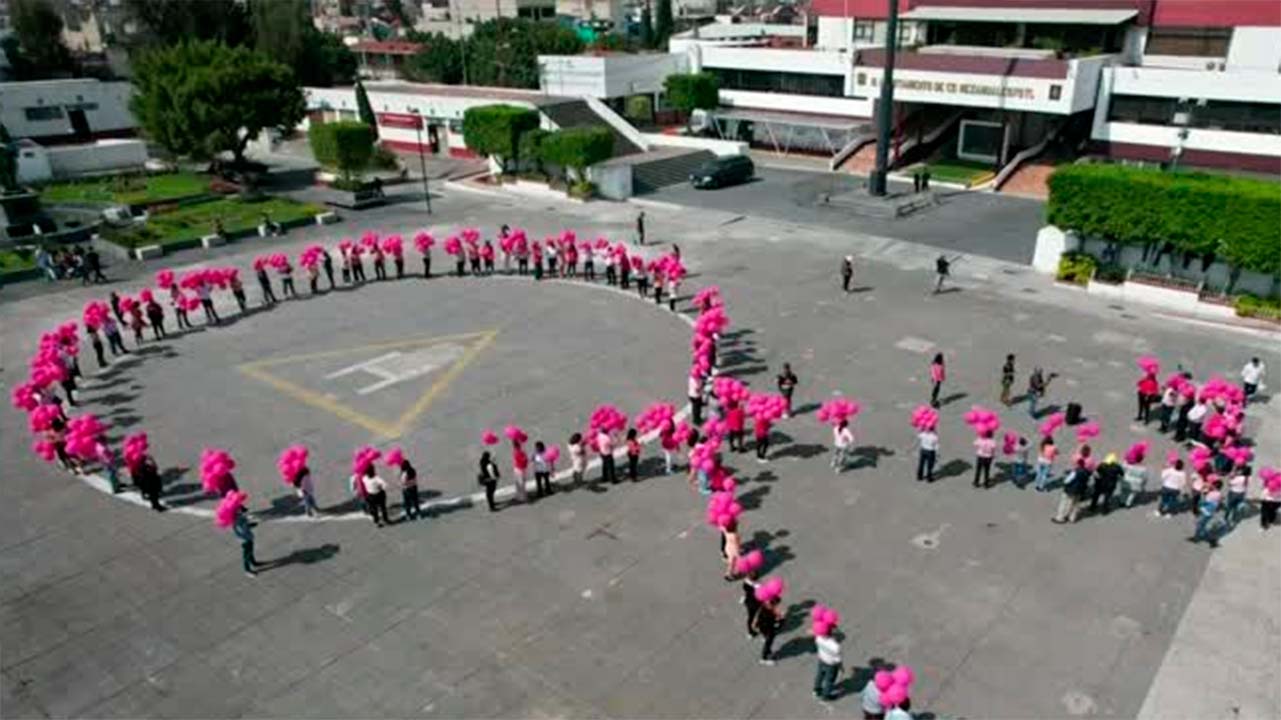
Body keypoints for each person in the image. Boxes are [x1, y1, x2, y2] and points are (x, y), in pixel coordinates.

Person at [1052, 455, 1091, 524]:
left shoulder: (1075, 472)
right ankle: (1072, 518)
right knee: (1075, 504)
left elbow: (1067, 481)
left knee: (1065, 503)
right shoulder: (1087, 472)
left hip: (1071, 490)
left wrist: (1064, 482)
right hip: (1080, 490)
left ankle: (1060, 518)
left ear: (1078, 464)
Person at [1189, 478, 1223, 547]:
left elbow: (1204, 502)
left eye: (1213, 485)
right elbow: (1218, 502)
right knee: (1201, 525)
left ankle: (1207, 539)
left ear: (1215, 486)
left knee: (1200, 525)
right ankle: (1198, 538)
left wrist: (1203, 493)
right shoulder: (1219, 494)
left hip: (1205, 511)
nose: (1211, 485)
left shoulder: (1211, 494)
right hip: (1210, 512)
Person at [813, 624, 842, 701]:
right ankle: (826, 695)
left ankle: (817, 689)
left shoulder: (818, 638)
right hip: (831, 664)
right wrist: (840, 666)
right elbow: (837, 658)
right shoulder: (835, 646)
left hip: (821, 659)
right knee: (830, 679)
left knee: (820, 675)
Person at [752, 595, 783, 665]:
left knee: (768, 640)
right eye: (776, 605)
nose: (777, 606)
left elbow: (757, 616)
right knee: (768, 643)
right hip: (767, 629)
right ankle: (764, 658)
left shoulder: (764, 606)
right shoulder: (771, 611)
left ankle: (768, 652)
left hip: (763, 627)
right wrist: (780, 618)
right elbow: (776, 621)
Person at [232, 505, 259, 577]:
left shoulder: (240, 517)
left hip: (248, 537)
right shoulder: (237, 520)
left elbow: (245, 526)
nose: (245, 512)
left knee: (250, 551)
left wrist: (250, 524)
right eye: (243, 511)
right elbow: (242, 529)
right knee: (246, 554)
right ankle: (247, 570)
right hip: (244, 540)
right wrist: (250, 525)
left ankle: (253, 562)